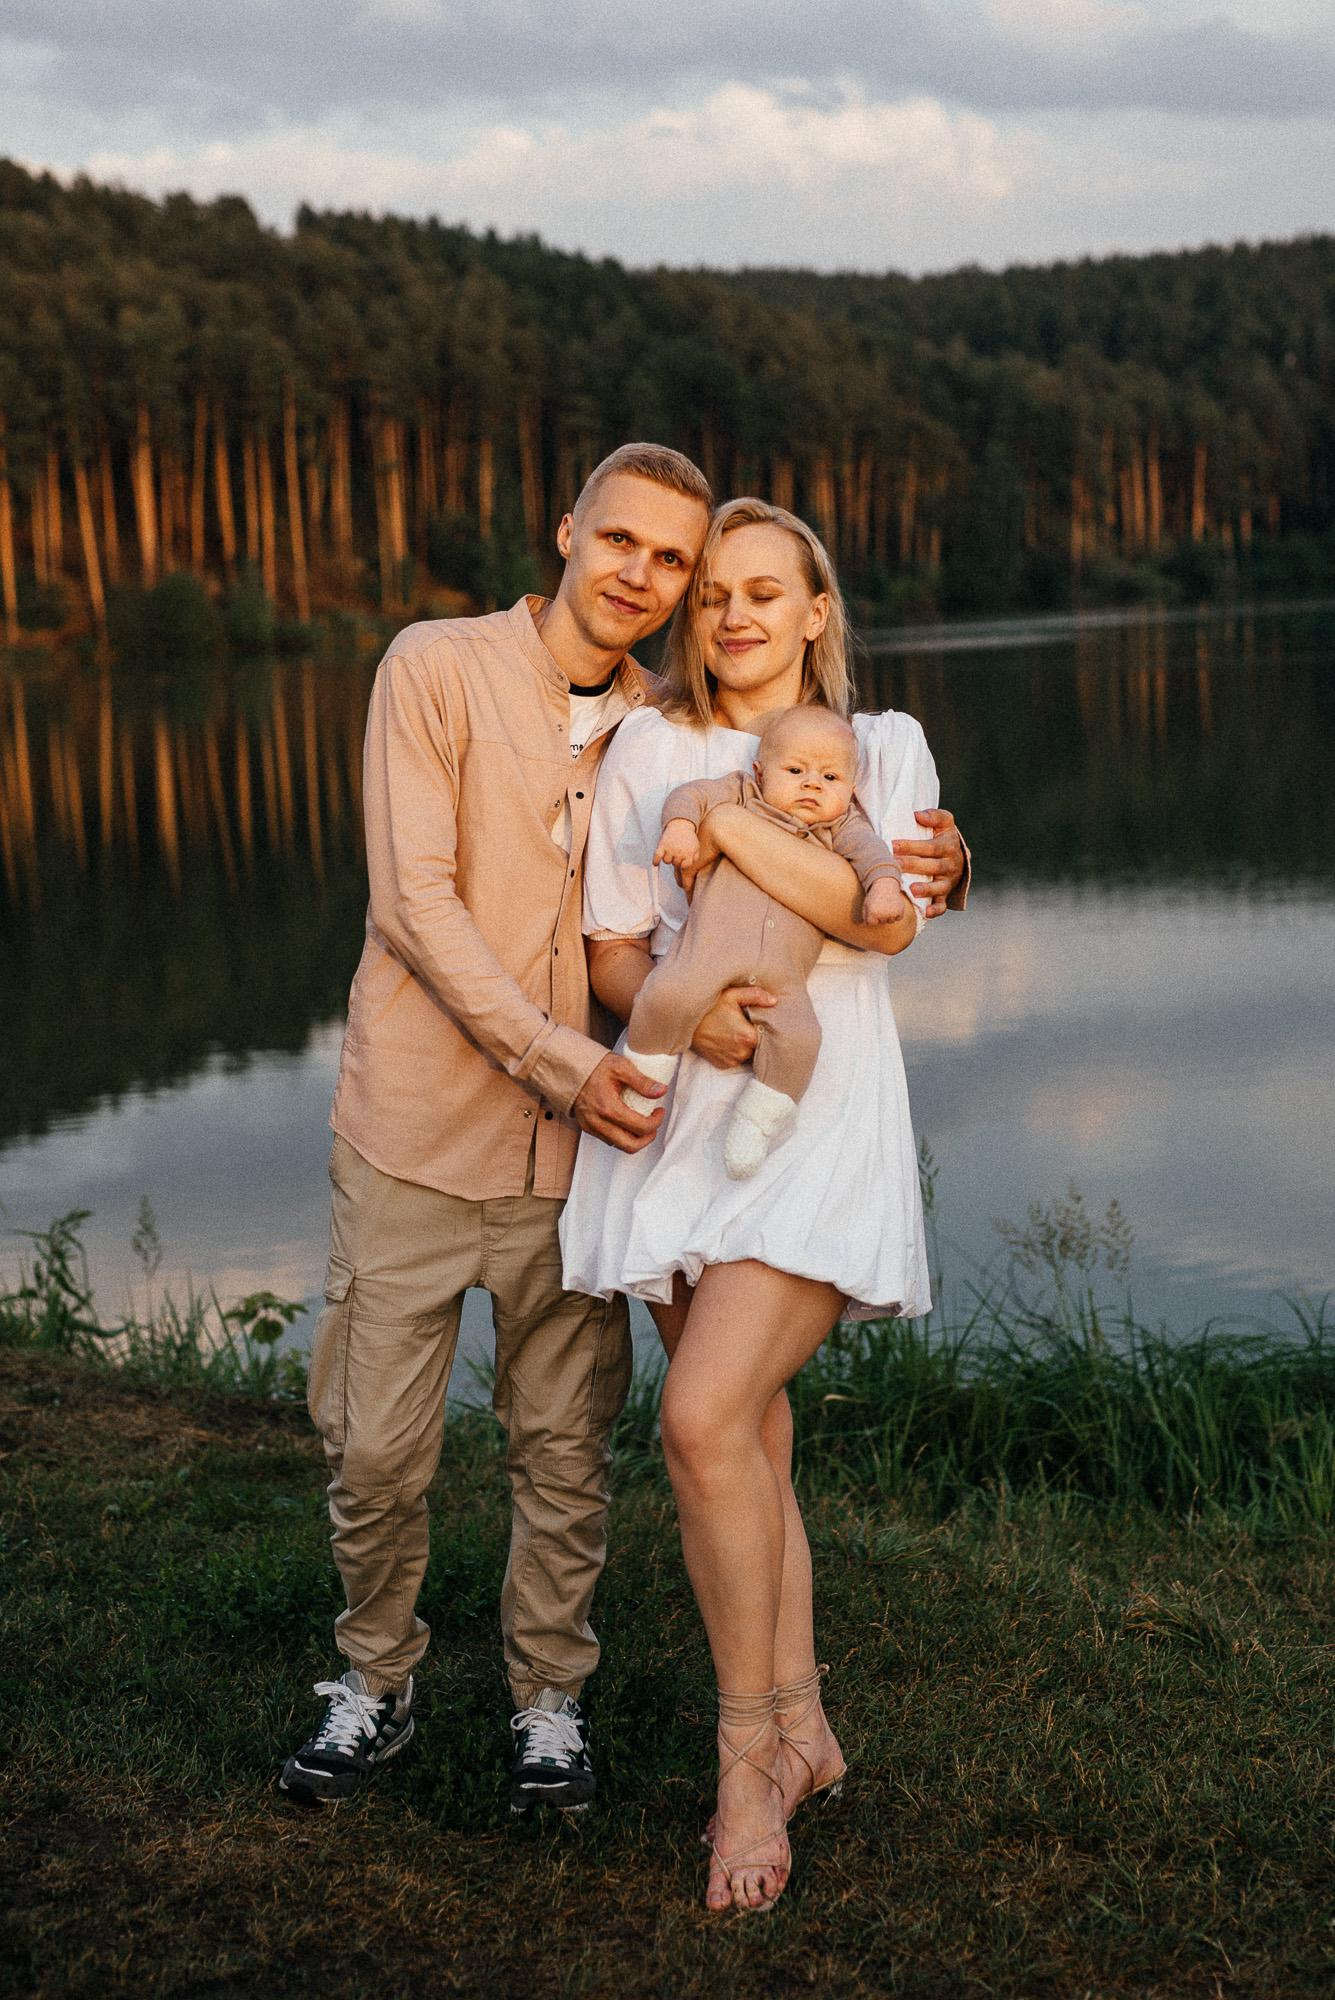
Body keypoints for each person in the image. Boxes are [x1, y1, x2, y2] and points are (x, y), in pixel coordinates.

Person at [280, 443, 713, 1811]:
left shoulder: (675, 727)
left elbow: (822, 800)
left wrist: (932, 858)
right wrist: (559, 1064)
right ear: (567, 528)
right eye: (621, 539)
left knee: (564, 1451)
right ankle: (375, 1677)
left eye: (672, 559)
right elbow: (412, 903)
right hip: (410, 1135)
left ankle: (548, 1702)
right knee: (371, 1449)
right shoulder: (434, 666)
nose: (640, 574)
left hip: (576, 1166)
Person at [560, 497, 966, 1911]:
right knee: (748, 1433)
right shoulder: (645, 746)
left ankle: (742, 1764)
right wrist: (687, 1013)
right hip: (680, 1115)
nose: (733, 613)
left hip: (817, 1111)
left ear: (813, 611)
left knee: (698, 1415)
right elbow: (614, 953)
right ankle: (803, 1729)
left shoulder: (881, 744)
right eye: (713, 592)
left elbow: (879, 918)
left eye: (763, 591)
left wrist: (733, 823)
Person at [621, 703, 919, 1178]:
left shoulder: (842, 827)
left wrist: (883, 886)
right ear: (761, 772)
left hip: (783, 977)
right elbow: (690, 795)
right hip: (709, 955)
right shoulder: (742, 794)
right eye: (796, 771)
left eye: (830, 778)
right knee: (669, 994)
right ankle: (644, 1079)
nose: (812, 785)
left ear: (850, 789)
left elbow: (874, 856)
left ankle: (756, 1123)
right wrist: (681, 826)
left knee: (802, 1038)